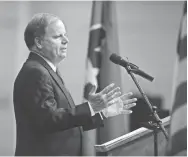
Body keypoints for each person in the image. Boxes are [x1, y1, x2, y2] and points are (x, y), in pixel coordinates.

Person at [13, 13, 137, 156]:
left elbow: (65, 125)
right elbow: (49, 120)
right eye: (58, 36)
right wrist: (91, 107)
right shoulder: (36, 72)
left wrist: (101, 112)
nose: (66, 40)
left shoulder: (47, 70)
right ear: (39, 42)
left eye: (65, 35)